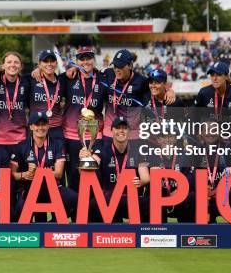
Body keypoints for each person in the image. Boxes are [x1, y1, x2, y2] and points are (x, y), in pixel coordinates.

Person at [11, 112, 77, 222]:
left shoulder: (57, 144)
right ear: (31, 126)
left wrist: (38, 172)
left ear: (48, 126)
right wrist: (25, 174)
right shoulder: (21, 146)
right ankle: (28, 235)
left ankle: (54, 225)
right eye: (37, 125)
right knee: (19, 209)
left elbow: (59, 173)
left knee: (75, 198)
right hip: (30, 189)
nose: (41, 128)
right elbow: (13, 174)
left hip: (52, 188)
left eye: (43, 124)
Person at [60, 47, 109, 191]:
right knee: (73, 179)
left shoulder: (103, 79)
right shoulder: (68, 78)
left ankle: (93, 212)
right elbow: (47, 78)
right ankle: (76, 212)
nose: (85, 62)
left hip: (95, 136)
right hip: (71, 137)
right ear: (77, 61)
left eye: (89, 58)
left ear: (94, 59)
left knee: (95, 179)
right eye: (82, 59)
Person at [188, 118, 231, 223]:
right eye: (207, 130)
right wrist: (200, 186)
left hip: (225, 194)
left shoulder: (229, 148)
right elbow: (189, 175)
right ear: (201, 133)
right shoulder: (195, 149)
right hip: (204, 195)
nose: (210, 133)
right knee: (192, 198)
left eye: (214, 129)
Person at [89, 117, 150, 222]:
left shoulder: (137, 151)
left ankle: (145, 235)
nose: (121, 131)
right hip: (109, 198)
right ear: (111, 131)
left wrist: (140, 182)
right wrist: (86, 158)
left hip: (130, 198)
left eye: (124, 128)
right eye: (118, 128)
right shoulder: (102, 149)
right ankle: (102, 236)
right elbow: (88, 168)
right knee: (94, 203)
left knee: (150, 203)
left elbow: (145, 178)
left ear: (129, 132)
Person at [0, 52, 31, 149]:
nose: (13, 65)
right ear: (3, 66)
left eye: (16, 62)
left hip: (21, 140)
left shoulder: (27, 83)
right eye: (9, 62)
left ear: (21, 66)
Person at [27, 50, 66, 143]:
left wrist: (74, 68)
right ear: (39, 64)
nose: (49, 64)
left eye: (52, 61)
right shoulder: (30, 79)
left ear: (56, 63)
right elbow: (11, 73)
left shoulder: (62, 81)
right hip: (36, 129)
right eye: (45, 61)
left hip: (56, 129)